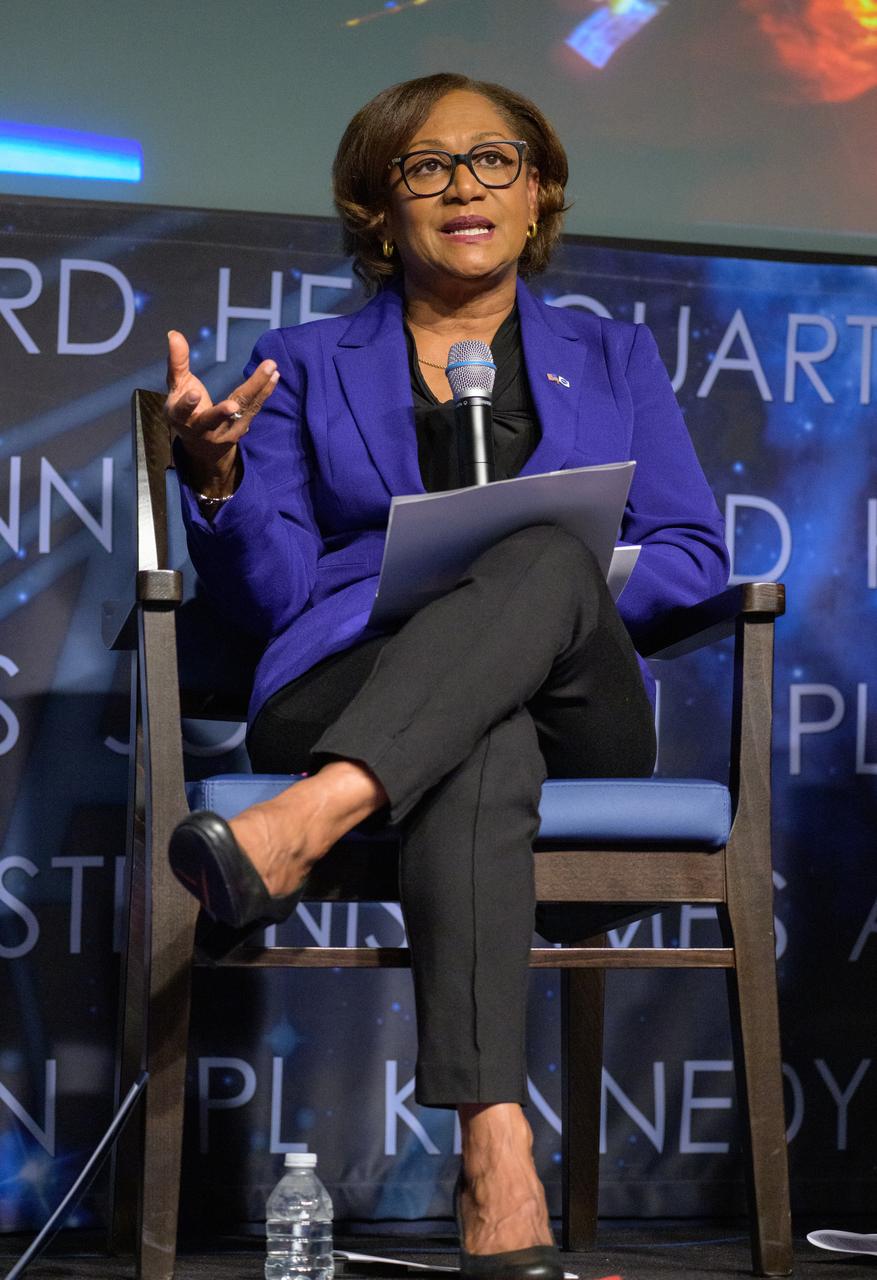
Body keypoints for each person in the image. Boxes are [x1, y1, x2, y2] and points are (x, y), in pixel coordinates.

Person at [164, 73, 729, 1279]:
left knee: (537, 556)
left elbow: (692, 554)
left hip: (572, 700)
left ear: (537, 193)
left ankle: (304, 815)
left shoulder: (612, 355)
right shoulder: (303, 363)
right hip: (350, 674)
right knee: (483, 735)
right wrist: (217, 486)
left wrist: (552, 592)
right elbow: (270, 598)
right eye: (425, 166)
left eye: (494, 159)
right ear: (381, 208)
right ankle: (495, 1146)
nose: (463, 183)